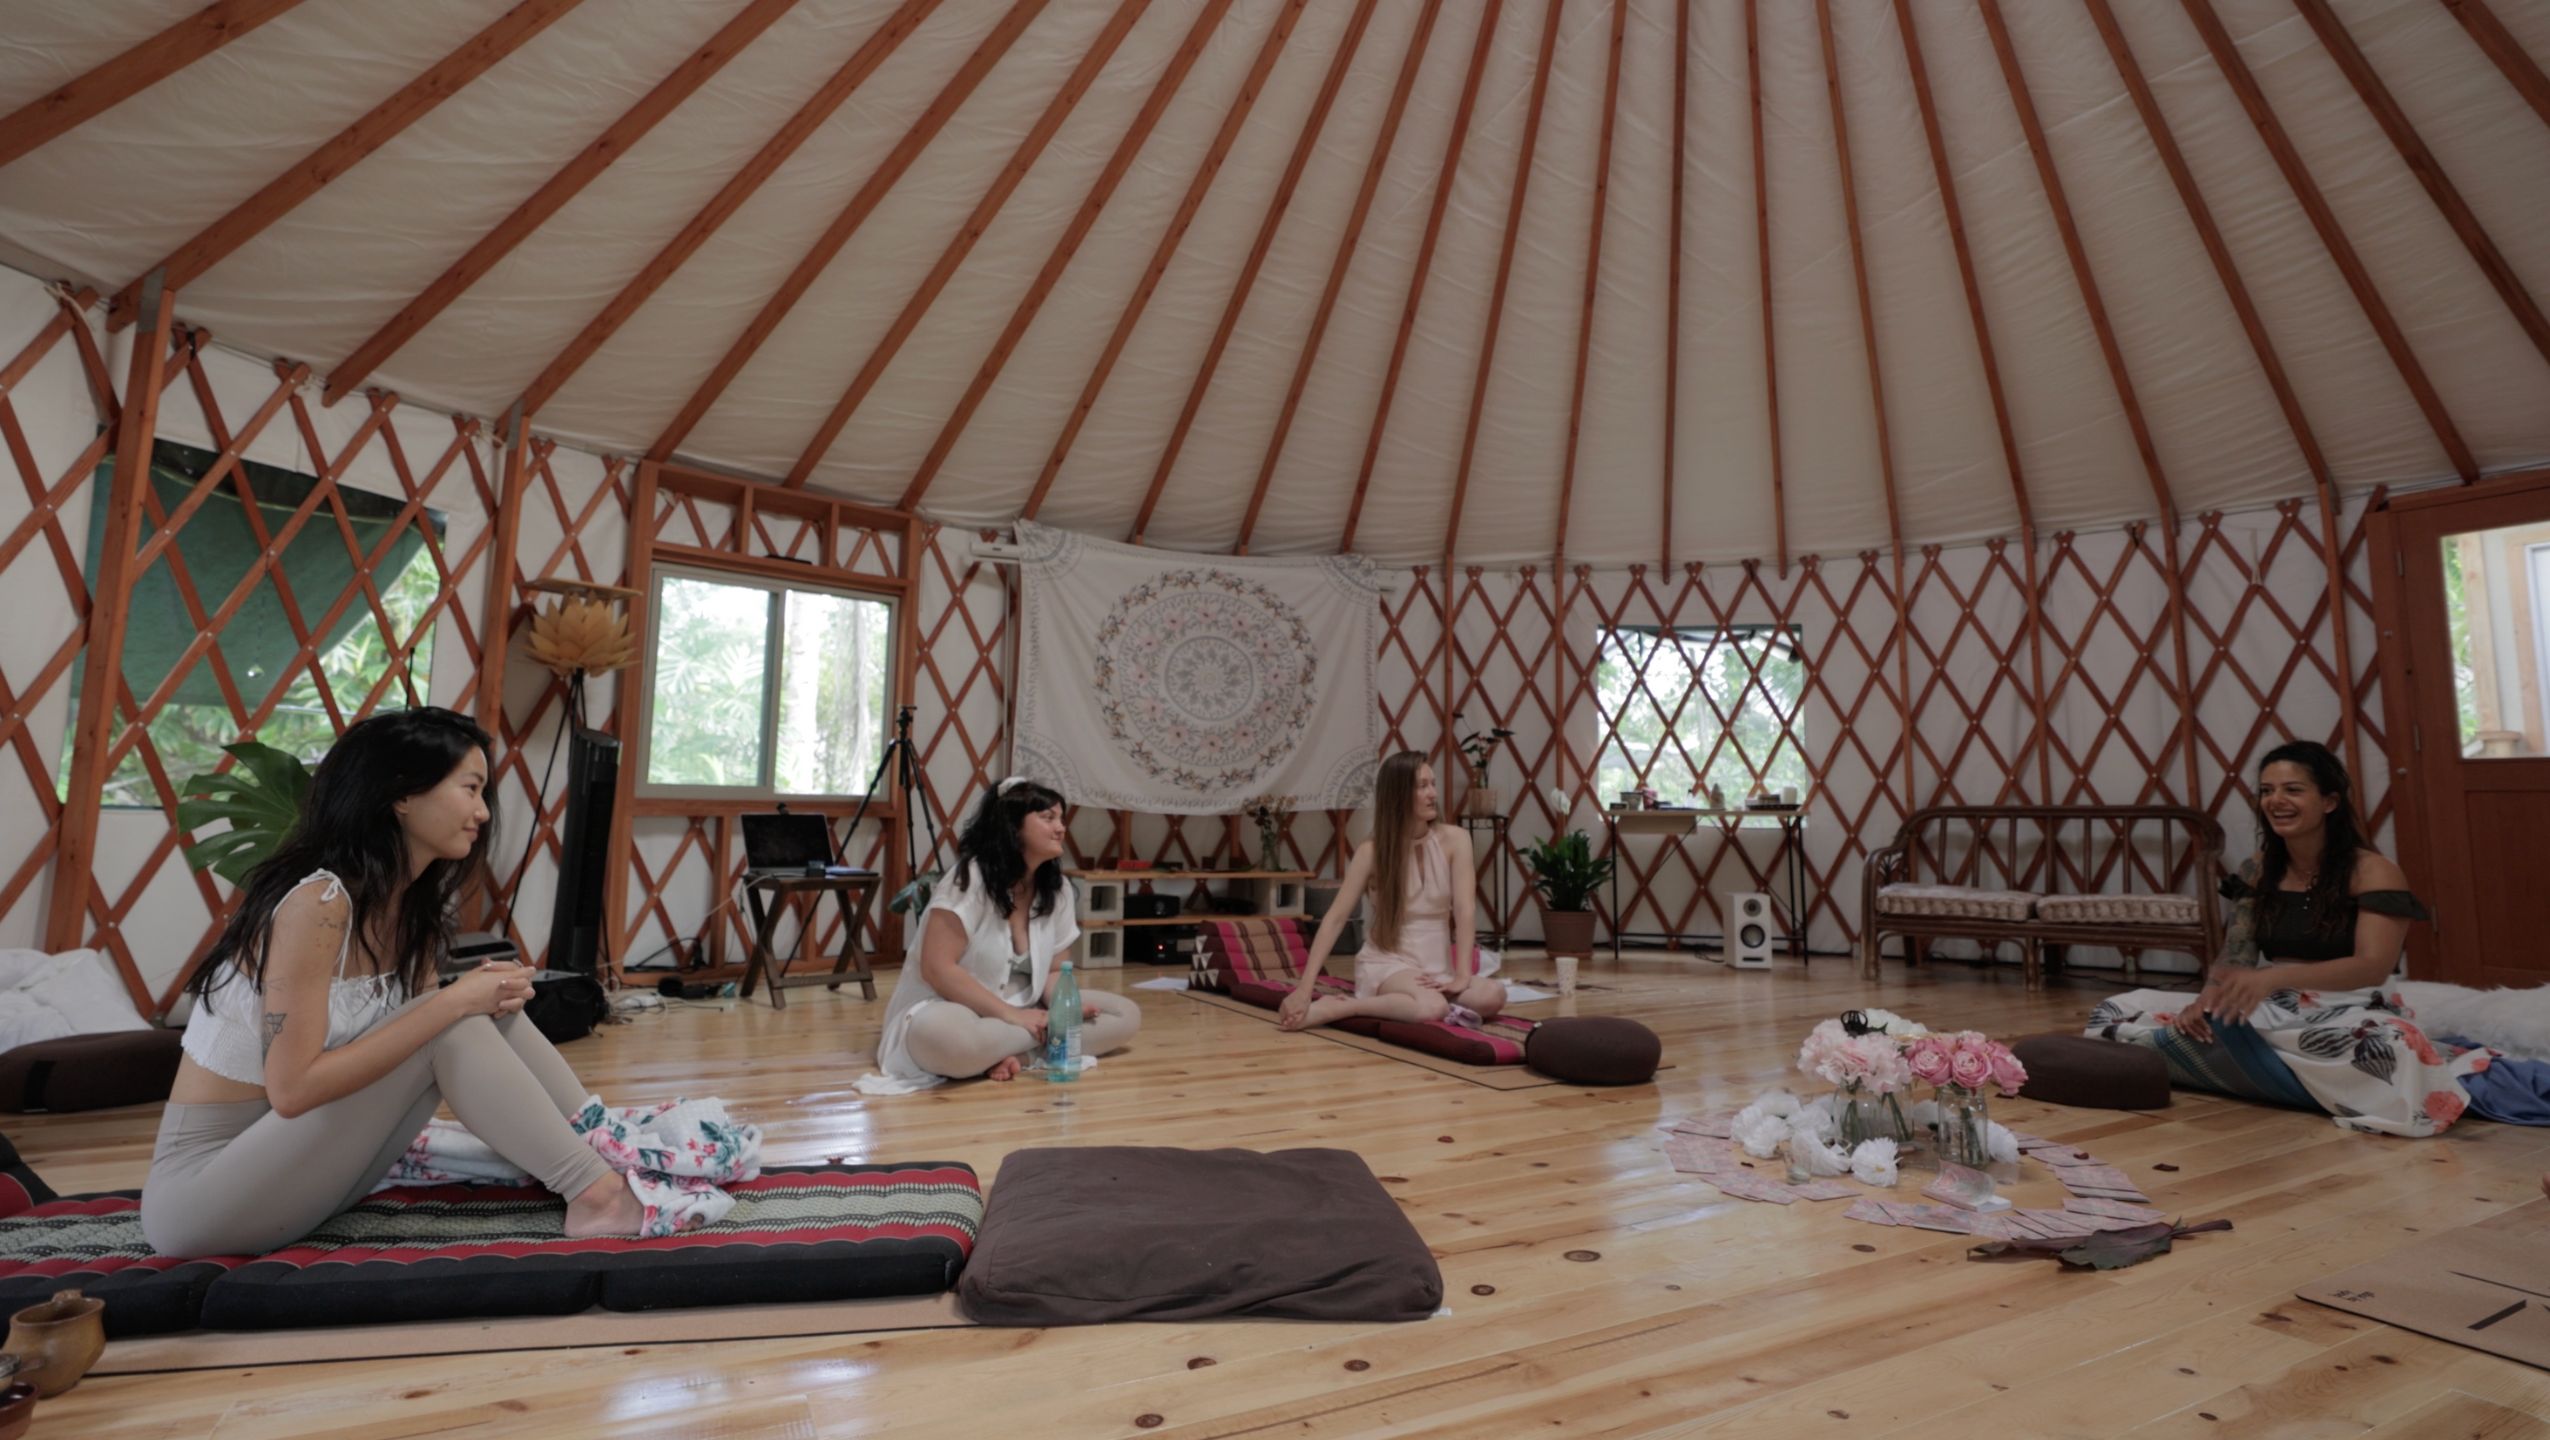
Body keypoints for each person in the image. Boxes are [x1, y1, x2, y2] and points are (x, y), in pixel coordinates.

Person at [144, 708, 642, 1258]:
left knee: (478, 1009)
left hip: (303, 1173)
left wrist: (475, 999)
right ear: (402, 795)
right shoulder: (318, 904)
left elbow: (430, 1030)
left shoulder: (408, 911)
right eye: (470, 789)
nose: (482, 812)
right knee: (450, 1018)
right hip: (206, 1200)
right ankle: (595, 1193)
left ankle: (608, 1148)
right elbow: (292, 1092)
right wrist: (452, 1003)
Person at [863, 778, 1140, 1089]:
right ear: (1013, 826)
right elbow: (937, 969)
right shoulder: (969, 879)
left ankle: (1019, 1054)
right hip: (953, 1007)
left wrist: (1064, 1007)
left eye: (1061, 819)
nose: (1061, 828)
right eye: (1048, 818)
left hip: (1026, 1009)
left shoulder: (1056, 888)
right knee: (950, 1042)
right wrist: (1016, 1017)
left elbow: (1054, 970)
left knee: (1125, 1015)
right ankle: (1041, 1043)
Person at [2173, 739, 2425, 1043]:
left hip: (2356, 1005)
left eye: (2292, 790)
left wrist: (2272, 978)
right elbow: (2236, 955)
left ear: (2329, 802)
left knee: (2366, 1047)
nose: (2275, 800)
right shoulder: (2256, 869)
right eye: (2267, 791)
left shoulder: (2372, 871)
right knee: (2159, 1026)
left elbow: (2372, 967)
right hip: (2278, 1003)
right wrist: (2205, 1003)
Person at [1279, 750, 1505, 1031]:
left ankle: (1420, 1002)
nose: (1433, 793)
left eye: (1433, 784)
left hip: (1438, 969)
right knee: (1432, 1007)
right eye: (1422, 786)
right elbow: (1335, 919)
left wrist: (1461, 975)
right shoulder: (1372, 852)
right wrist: (1304, 989)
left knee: (1492, 995)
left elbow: (1464, 909)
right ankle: (1344, 1006)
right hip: (1390, 965)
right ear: (1399, 794)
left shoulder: (1456, 840)